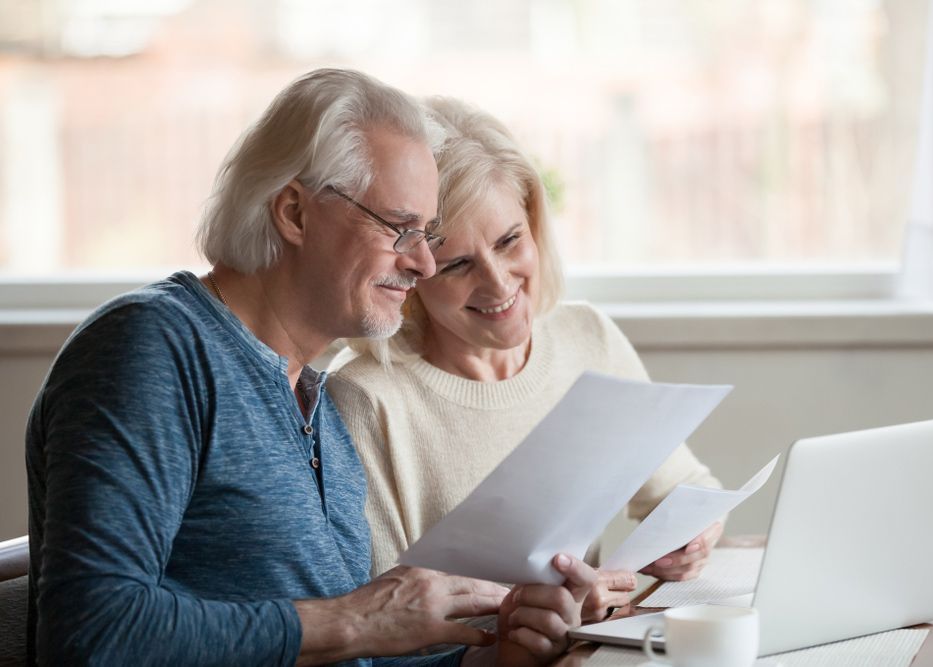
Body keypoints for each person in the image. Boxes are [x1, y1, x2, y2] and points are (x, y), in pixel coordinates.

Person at [25, 69, 595, 666]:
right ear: (294, 212)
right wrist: (357, 618)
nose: (424, 264)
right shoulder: (152, 348)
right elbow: (90, 633)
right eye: (400, 228)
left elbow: (354, 651)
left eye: (426, 234)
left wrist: (500, 652)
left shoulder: (317, 403)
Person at [327, 97, 725, 624]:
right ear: (413, 275)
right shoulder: (365, 400)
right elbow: (379, 618)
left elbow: (685, 488)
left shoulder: (587, 338)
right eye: (457, 265)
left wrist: (692, 535)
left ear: (534, 224)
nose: (497, 283)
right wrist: (528, 619)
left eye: (510, 240)